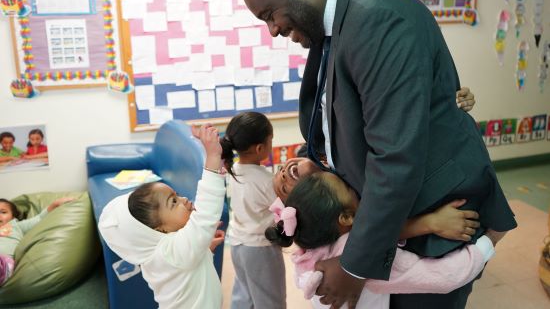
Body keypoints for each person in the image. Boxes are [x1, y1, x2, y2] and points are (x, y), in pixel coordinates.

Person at [238, 0, 517, 308]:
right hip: (390, 222)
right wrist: (313, 161)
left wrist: (354, 267)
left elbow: (395, 156)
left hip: (428, 224)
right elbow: (335, 119)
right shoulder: (335, 30)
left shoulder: (379, 19)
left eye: (270, 14)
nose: (273, 30)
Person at [265, 172, 505, 309]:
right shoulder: (360, 258)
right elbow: (443, 277)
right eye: (350, 189)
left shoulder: (307, 243)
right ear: (346, 217)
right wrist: (488, 242)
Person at [98, 125, 226, 309]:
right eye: (173, 202)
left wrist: (204, 248)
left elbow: (188, 270)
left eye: (177, 195)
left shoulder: (160, 253)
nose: (183, 200)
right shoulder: (171, 252)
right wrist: (213, 157)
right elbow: (205, 215)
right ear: (159, 229)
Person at [221, 112, 286, 309]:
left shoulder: (232, 171)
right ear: (260, 148)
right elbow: (285, 211)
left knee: (245, 295)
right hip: (261, 248)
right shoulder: (266, 181)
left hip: (237, 245)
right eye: (270, 141)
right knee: (270, 299)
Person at [0, 196, 75, 286]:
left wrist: (55, 204)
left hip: (5, 263)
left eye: (3, 212)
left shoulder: (16, 226)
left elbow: (39, 219)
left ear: (12, 216)